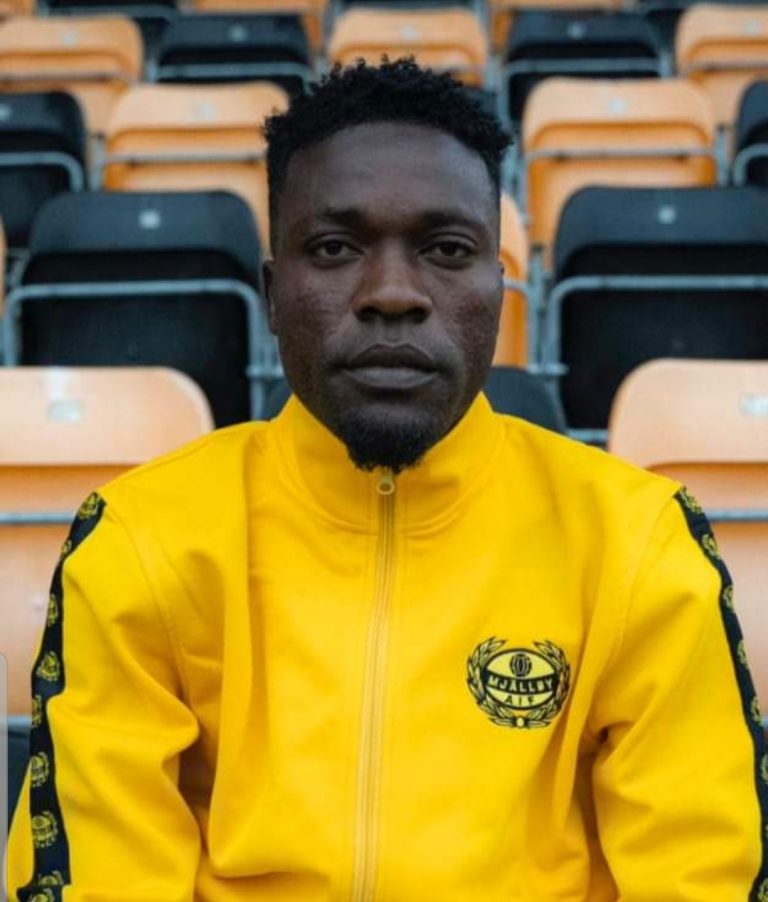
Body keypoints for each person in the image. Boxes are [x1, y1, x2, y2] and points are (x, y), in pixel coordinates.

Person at [7, 59, 767, 901]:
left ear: (499, 290)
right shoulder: (140, 541)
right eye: (335, 248)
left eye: (447, 250)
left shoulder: (639, 544)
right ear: (272, 294)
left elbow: (700, 878)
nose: (393, 294)